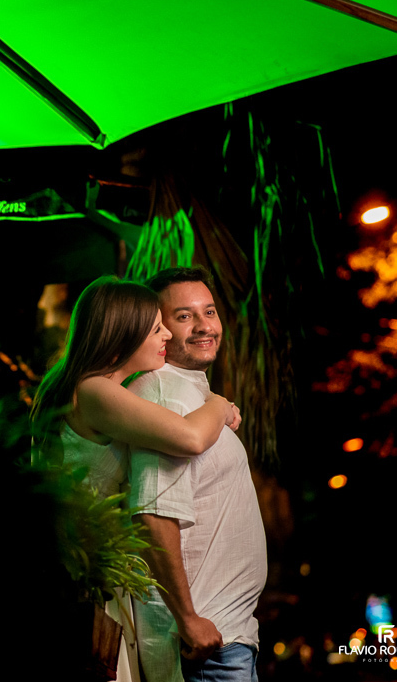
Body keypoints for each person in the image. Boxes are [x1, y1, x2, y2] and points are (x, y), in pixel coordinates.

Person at [31, 276, 240, 682]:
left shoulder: (84, 388)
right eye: (155, 327)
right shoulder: (94, 391)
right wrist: (218, 403)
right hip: (91, 588)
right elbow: (190, 437)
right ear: (122, 334)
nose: (165, 334)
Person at [128, 266, 267, 682]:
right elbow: (153, 512)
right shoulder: (163, 393)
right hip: (205, 647)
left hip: (223, 637)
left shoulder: (193, 392)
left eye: (209, 311)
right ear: (159, 329)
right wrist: (188, 618)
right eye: (184, 316)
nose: (204, 326)